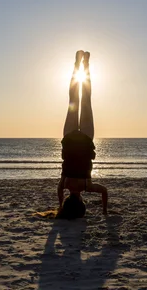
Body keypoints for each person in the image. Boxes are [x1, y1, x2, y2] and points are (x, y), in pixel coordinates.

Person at [57, 50, 108, 219]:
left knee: (86, 99)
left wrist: (105, 210)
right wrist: (59, 205)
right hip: (69, 138)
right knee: (73, 99)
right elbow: (59, 192)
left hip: (86, 139)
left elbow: (104, 191)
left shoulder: (87, 186)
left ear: (81, 202)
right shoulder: (64, 184)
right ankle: (77, 64)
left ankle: (85, 65)